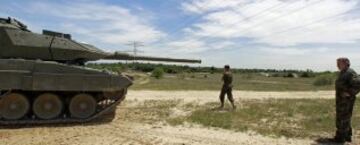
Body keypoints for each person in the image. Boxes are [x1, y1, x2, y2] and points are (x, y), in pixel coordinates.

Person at [332, 57, 359, 143]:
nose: (337, 65)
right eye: (337, 63)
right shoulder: (343, 72)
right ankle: (347, 136)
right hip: (341, 101)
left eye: (339, 63)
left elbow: (358, 84)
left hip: (346, 101)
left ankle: (340, 138)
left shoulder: (350, 72)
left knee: (343, 118)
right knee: (345, 118)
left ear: (346, 63)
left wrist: (350, 93)